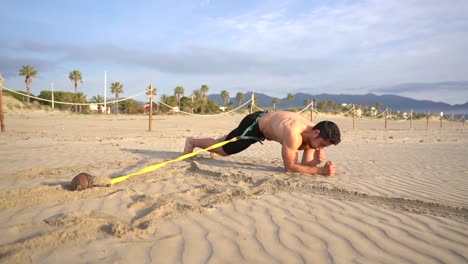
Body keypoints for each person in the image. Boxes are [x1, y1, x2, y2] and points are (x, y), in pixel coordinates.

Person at [183, 111, 341, 176]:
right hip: (255, 125)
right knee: (224, 151)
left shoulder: (312, 138)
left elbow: (306, 165)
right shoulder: (294, 134)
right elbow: (290, 168)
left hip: (267, 124)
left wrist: (316, 162)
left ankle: (218, 143)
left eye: (325, 147)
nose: (321, 148)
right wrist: (321, 171)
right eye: (323, 144)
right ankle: (193, 142)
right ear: (316, 133)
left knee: (225, 143)